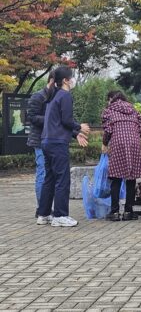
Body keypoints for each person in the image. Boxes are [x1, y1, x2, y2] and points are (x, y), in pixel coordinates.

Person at [36, 66, 90, 227]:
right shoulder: (65, 96)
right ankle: (60, 215)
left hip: (47, 141)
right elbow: (66, 120)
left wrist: (75, 134)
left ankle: (44, 214)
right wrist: (79, 127)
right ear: (65, 80)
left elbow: (57, 121)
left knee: (49, 179)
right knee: (62, 179)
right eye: (71, 78)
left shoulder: (53, 96)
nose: (73, 80)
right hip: (57, 143)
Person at [101, 91, 141, 221]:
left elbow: (108, 131)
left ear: (112, 100)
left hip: (118, 144)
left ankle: (114, 212)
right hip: (134, 144)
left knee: (116, 179)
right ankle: (129, 211)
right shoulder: (134, 111)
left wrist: (105, 143)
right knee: (131, 179)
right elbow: (140, 130)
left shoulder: (109, 111)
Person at [26, 70, 55, 213]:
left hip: (53, 140)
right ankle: (42, 208)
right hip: (39, 140)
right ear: (51, 81)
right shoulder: (38, 96)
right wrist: (50, 119)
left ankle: (47, 207)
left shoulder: (56, 97)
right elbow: (31, 117)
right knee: (42, 173)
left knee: (51, 175)